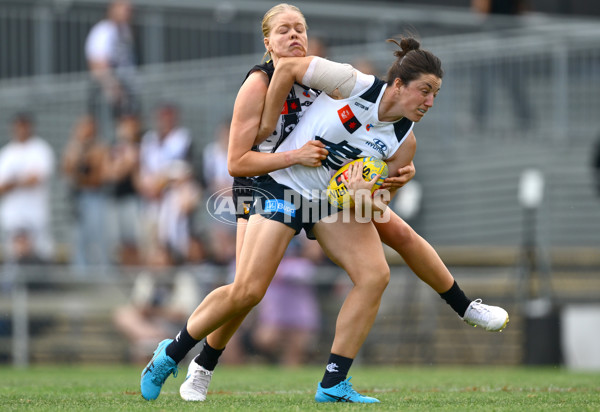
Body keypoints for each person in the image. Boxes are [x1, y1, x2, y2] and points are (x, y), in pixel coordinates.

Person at [141, 4, 507, 404]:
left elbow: (377, 195)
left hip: (323, 199)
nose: (431, 102)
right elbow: (240, 155)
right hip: (270, 182)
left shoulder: (402, 136)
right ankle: (176, 354)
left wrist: (377, 188)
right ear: (398, 84)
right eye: (285, 30)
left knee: (380, 264)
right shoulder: (298, 81)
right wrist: (279, 143)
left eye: (301, 28)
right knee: (248, 290)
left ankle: (339, 377)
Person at [0, 112, 55, 265]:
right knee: (13, 253)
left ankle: (42, 285)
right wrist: (21, 180)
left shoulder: (40, 149)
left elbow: (36, 179)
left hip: (35, 213)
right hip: (13, 213)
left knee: (40, 251)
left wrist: (13, 182)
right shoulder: (6, 153)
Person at [471, 0, 533, 131]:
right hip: (503, 35)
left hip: (501, 35)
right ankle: (525, 118)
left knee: (508, 81)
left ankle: (525, 118)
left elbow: (481, 12)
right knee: (494, 82)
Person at [61, 115, 110, 273]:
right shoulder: (73, 148)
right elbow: (67, 171)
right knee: (78, 238)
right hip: (77, 197)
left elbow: (97, 175)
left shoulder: (100, 147)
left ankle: (102, 271)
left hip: (95, 196)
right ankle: (80, 272)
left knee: (98, 236)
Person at [85, 0, 138, 140]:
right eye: (123, 6)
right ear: (112, 8)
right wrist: (114, 89)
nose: (128, 10)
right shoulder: (103, 31)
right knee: (108, 137)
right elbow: (97, 64)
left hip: (126, 91)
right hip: (108, 95)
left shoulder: (125, 31)